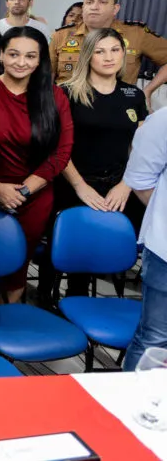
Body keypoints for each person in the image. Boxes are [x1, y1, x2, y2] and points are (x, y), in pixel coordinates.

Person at [0, 27, 74, 302]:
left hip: (35, 194)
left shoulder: (54, 95)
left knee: (18, 263)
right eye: (13, 54)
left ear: (40, 61)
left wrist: (24, 190)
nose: (21, 62)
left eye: (30, 56)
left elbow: (62, 152)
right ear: (0, 54)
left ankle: (7, 322)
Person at [56, 28, 147, 298]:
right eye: (100, 51)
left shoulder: (134, 96)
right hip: (74, 184)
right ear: (88, 55)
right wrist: (80, 187)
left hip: (119, 185)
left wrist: (126, 185)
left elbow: (140, 149)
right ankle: (70, 305)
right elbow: (58, 149)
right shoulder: (68, 93)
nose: (109, 57)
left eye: (115, 50)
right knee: (78, 257)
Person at [52, 0, 167, 88]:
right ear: (83, 8)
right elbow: (47, 74)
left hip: (117, 105)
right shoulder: (61, 35)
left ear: (115, 8)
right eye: (89, 2)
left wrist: (147, 92)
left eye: (102, 2)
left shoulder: (136, 33)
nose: (94, 7)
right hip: (69, 105)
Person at [121, 105, 167, 370]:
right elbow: (140, 179)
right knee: (155, 340)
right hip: (164, 251)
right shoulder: (163, 120)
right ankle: (131, 407)